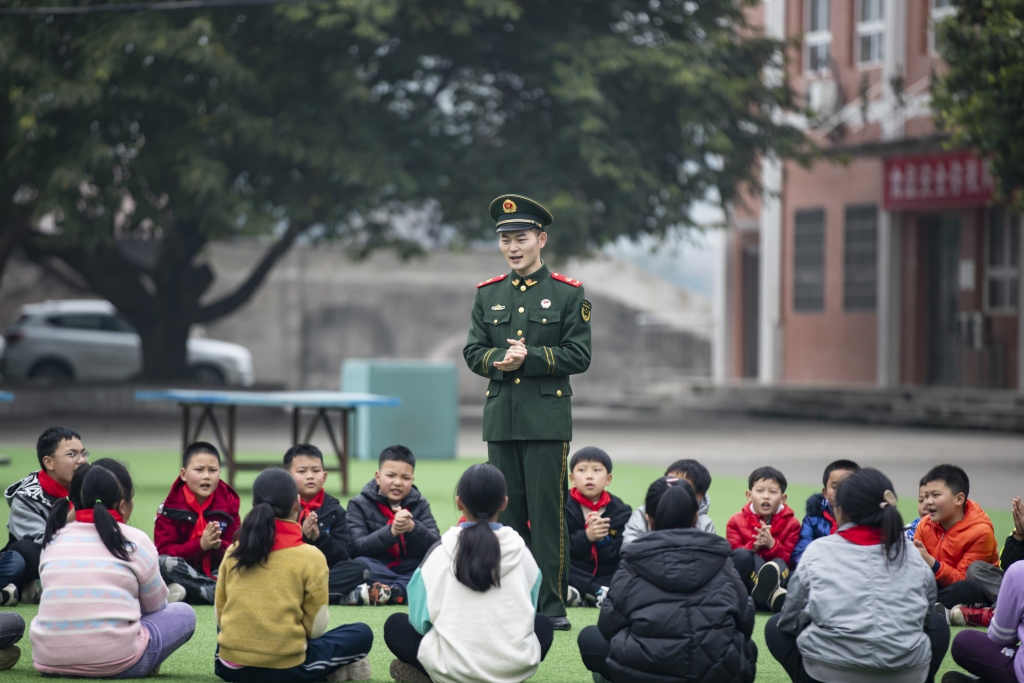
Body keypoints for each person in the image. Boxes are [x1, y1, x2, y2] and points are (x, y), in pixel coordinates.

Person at [462, 194, 593, 630]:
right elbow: (472, 350)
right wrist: (496, 361)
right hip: (501, 419)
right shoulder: (488, 294)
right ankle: (510, 604)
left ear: (541, 239)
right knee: (505, 516)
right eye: (505, 240)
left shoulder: (568, 294)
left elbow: (579, 355)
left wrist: (531, 358)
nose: (513, 248)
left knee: (548, 514)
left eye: (521, 239)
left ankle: (551, 608)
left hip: (546, 421)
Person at [765, 468, 949, 683]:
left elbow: (790, 619)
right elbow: (925, 619)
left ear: (840, 510)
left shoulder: (818, 551)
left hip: (828, 674)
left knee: (774, 626)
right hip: (905, 674)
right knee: (938, 625)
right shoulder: (913, 554)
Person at [577, 476, 758, 683]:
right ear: (696, 516)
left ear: (648, 518)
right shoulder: (722, 560)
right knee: (747, 646)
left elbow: (608, 624)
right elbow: (745, 620)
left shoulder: (632, 562)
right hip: (715, 673)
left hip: (646, 673)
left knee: (591, 638)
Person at [384, 463, 553, 683]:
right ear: (504, 503)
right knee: (544, 624)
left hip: (451, 670)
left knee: (395, 625)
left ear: (459, 502)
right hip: (512, 669)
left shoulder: (440, 551)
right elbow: (528, 614)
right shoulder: (522, 552)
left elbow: (419, 621)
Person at [31, 460, 197, 677]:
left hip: (49, 660)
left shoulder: (52, 539)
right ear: (122, 505)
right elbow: (155, 606)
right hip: (120, 663)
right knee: (184, 613)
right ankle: (145, 660)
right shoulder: (135, 539)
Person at [215, 468, 373, 683]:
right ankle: (323, 673)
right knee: (361, 633)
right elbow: (315, 630)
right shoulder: (310, 556)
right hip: (286, 668)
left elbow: (219, 616)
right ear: (297, 504)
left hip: (228, 666)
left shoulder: (234, 550)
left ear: (254, 504)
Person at [1, 426, 89, 605]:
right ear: (49, 462)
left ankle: (17, 591)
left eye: (83, 453)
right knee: (21, 553)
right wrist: (70, 521)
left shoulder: (90, 486)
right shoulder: (26, 497)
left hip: (77, 558)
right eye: (72, 455)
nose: (81, 461)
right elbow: (41, 544)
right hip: (37, 560)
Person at [346, 445, 440, 606]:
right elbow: (356, 548)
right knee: (360, 566)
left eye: (405, 478)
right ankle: (404, 589)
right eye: (390, 475)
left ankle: (390, 591)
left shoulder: (420, 504)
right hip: (377, 567)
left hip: (408, 566)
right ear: (377, 476)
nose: (398, 482)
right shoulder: (359, 504)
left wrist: (412, 528)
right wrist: (392, 531)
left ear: (412, 479)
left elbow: (436, 547)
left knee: (435, 565)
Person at [155, 441, 241, 605]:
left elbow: (237, 549)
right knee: (162, 563)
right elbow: (164, 550)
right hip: (184, 569)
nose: (206, 476)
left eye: (212, 470)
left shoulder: (229, 505)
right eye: (199, 470)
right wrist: (200, 546)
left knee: (242, 564)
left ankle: (187, 592)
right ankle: (217, 592)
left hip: (217, 570)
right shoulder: (171, 507)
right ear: (183, 474)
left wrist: (218, 545)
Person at [284, 444, 370, 605]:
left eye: (315, 471)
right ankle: (324, 595)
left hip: (322, 572)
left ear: (324, 476)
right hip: (288, 570)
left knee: (361, 569)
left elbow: (345, 552)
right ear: (288, 476)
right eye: (302, 471)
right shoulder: (280, 505)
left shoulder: (335, 510)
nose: (310, 476)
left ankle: (301, 595)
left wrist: (319, 538)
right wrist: (302, 536)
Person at [913, 464, 999, 610]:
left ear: (959, 499)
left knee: (966, 589)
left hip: (965, 589)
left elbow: (962, 579)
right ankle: (928, 606)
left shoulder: (981, 531)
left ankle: (920, 606)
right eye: (926, 496)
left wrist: (931, 562)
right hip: (937, 588)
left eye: (935, 495)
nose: (927, 502)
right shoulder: (924, 525)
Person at [565, 447, 632, 608]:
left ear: (608, 479)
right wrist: (586, 536)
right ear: (572, 478)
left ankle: (580, 596)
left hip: (606, 573)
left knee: (629, 565)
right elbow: (559, 547)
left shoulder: (621, 511)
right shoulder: (562, 506)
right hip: (575, 569)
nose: (589, 476)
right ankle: (595, 593)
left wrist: (603, 539)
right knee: (554, 564)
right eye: (582, 470)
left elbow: (619, 553)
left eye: (596, 470)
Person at [726, 466, 800, 613]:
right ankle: (773, 597)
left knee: (781, 565)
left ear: (783, 498)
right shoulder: (735, 521)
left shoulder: (792, 524)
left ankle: (770, 594)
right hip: (748, 582)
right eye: (760, 491)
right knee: (747, 556)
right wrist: (754, 546)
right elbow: (735, 559)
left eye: (773, 492)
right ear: (749, 495)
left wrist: (772, 545)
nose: (766, 496)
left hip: (780, 575)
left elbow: (790, 560)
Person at [949, 494, 1024, 628]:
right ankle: (1003, 609)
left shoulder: (979, 527)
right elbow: (1008, 567)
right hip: (1018, 588)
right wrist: (1019, 537)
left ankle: (996, 613)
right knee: (975, 569)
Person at [945, 559, 1024, 683]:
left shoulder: (1019, 571)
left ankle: (992, 614)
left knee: (964, 640)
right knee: (974, 572)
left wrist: (934, 565)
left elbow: (1001, 638)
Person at [623, 458, 715, 544]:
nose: (671, 488)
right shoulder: (643, 512)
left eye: (682, 485)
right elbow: (630, 546)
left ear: (698, 496)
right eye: (669, 480)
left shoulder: (705, 523)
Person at [791, 459, 860, 567]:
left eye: (847, 486)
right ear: (825, 492)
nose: (841, 492)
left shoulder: (866, 519)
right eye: (835, 487)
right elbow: (799, 555)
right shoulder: (812, 519)